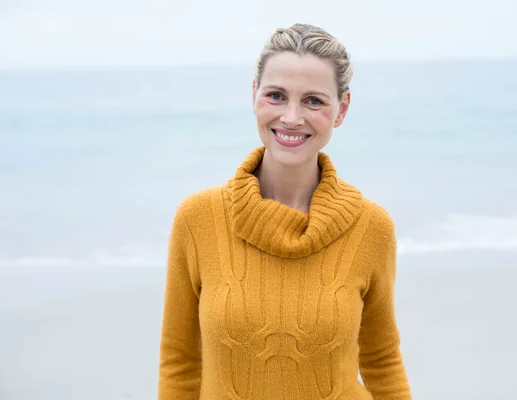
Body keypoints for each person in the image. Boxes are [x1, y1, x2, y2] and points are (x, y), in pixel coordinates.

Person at [158, 23, 412, 399]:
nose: (292, 117)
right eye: (276, 95)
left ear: (341, 109)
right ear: (254, 95)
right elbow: (180, 362)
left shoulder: (371, 227)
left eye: (314, 101)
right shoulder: (197, 219)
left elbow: (381, 359)